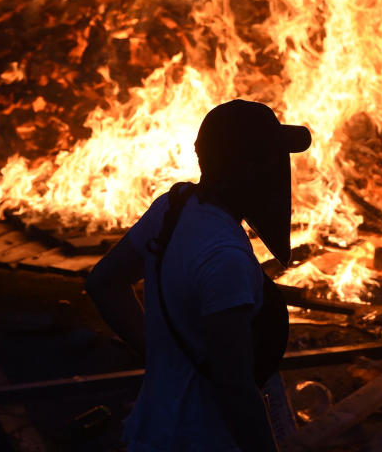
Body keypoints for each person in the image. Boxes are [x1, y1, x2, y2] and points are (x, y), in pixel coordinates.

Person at [85, 99, 311, 451]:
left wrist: (161, 353)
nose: (280, 172)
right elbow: (234, 387)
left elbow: (104, 283)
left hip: (153, 427)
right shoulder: (225, 259)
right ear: (250, 169)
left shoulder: (172, 209)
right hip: (204, 438)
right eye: (271, 159)